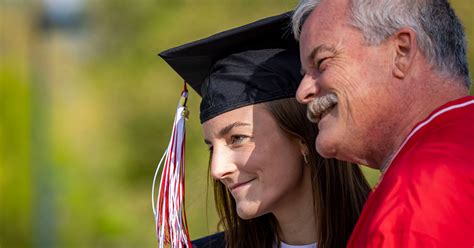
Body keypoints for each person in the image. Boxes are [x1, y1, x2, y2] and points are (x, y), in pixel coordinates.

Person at [159, 13, 371, 248]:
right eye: (212, 148)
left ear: (302, 138)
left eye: (237, 138)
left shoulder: (394, 235)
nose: (217, 170)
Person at [291, 0, 474, 246]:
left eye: (322, 62)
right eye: (304, 74)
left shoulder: (420, 194)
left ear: (401, 51)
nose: (302, 93)